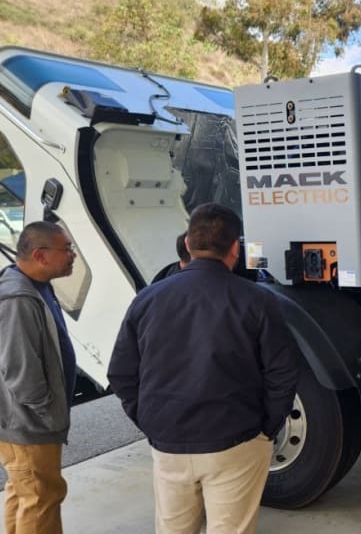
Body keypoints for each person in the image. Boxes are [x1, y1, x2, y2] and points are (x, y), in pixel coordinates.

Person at [108, 203, 300, 534]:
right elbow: (282, 373)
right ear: (236, 248)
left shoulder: (148, 299)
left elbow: (121, 373)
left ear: (188, 244)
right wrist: (266, 429)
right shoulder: (257, 300)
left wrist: (150, 420)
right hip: (236, 440)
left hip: (168, 440)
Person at [0, 221, 78, 534]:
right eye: (66, 249)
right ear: (40, 255)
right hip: (27, 424)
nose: (73, 255)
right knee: (42, 497)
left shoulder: (34, 287)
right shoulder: (17, 300)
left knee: (24, 494)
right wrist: (48, 414)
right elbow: (21, 372)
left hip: (22, 422)